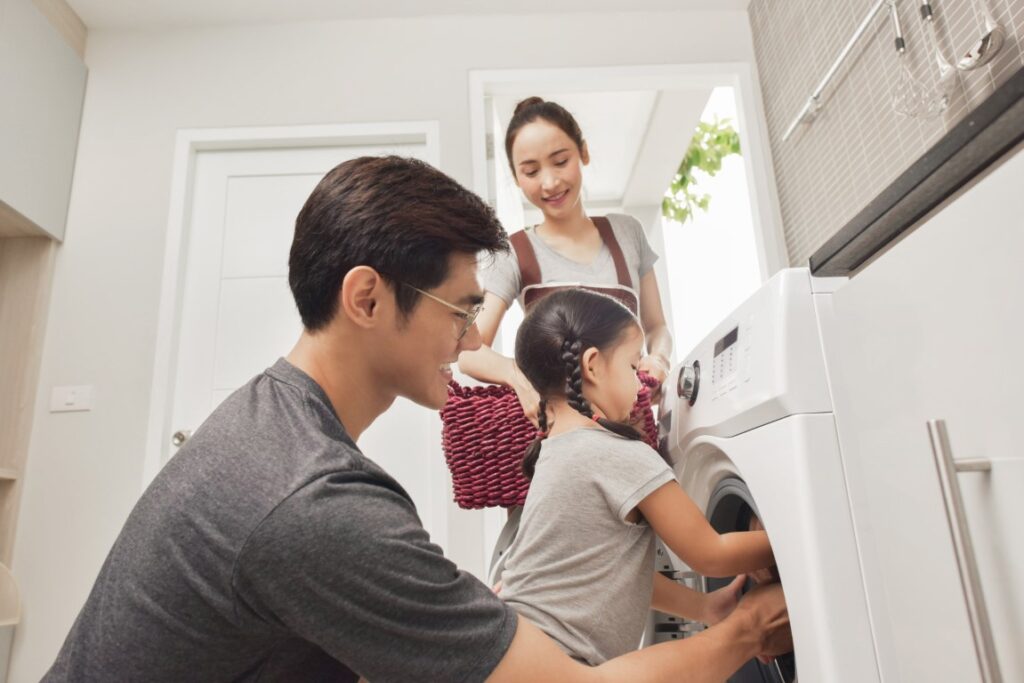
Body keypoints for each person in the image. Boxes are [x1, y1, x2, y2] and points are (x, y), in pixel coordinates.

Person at [44, 156, 788, 682]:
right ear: (367, 299)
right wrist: (749, 629)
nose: (470, 342)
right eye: (462, 310)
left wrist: (453, 616)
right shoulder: (315, 501)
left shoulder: (268, 422)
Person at [496, 288, 777, 666]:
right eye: (632, 365)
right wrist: (790, 541)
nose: (640, 380)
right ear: (592, 365)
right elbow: (710, 553)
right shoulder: (616, 453)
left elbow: (610, 577)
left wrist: (705, 606)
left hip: (518, 654)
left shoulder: (556, 451)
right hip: (558, 664)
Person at [458, 97, 673, 424]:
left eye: (560, 161)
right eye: (530, 171)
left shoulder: (628, 234)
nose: (549, 182)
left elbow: (657, 327)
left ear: (583, 153)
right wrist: (518, 376)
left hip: (633, 426)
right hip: (561, 433)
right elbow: (469, 350)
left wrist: (658, 359)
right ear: (517, 178)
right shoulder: (515, 252)